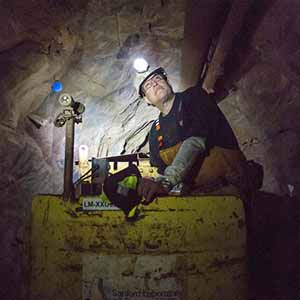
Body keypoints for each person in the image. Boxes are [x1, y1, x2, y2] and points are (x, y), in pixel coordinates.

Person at [136, 67, 247, 205]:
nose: (154, 83)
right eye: (147, 85)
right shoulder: (155, 132)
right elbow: (161, 170)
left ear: (168, 82)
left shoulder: (194, 97)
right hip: (195, 197)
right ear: (147, 100)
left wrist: (166, 182)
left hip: (231, 186)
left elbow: (195, 142)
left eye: (157, 78)